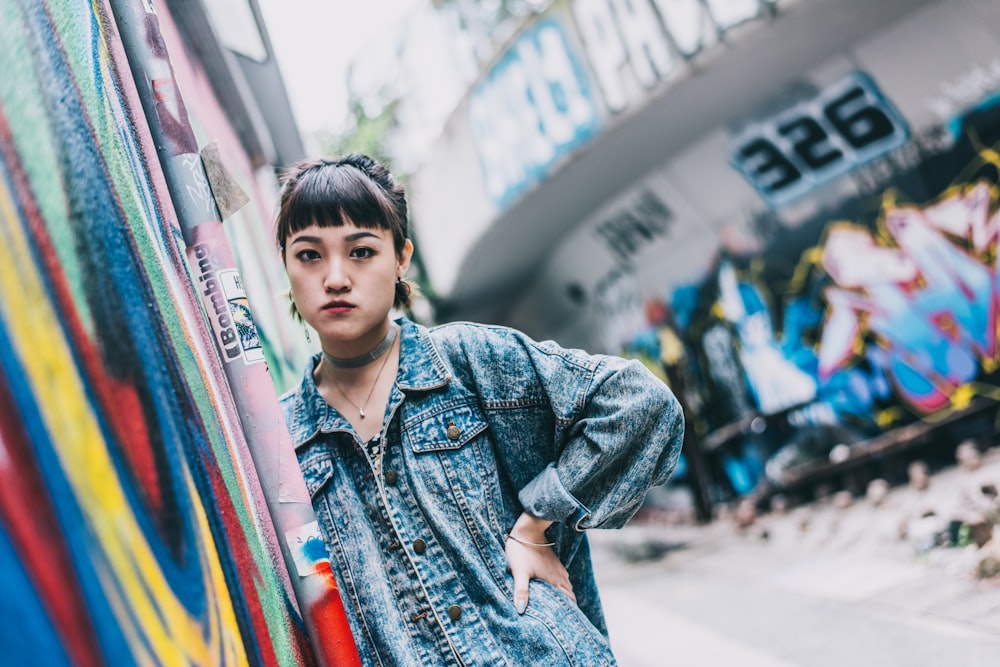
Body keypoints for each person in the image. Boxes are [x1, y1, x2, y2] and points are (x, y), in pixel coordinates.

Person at [275, 153, 685, 666]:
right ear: (287, 266)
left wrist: (535, 525)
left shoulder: (469, 361)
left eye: (361, 251)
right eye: (309, 255)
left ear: (401, 258)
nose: (335, 278)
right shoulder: (279, 440)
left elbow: (639, 404)